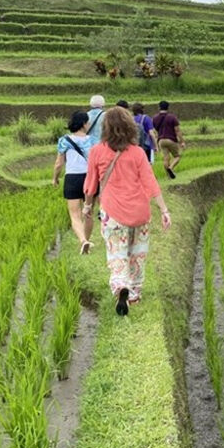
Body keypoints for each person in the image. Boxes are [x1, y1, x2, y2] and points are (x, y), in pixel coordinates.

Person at [83, 106, 171, 316]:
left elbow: (91, 184)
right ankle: (134, 295)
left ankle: (121, 285)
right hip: (140, 211)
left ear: (106, 128)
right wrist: (164, 210)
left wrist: (87, 205)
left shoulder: (97, 151)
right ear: (130, 127)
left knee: (117, 254)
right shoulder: (138, 152)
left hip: (113, 213)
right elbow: (150, 182)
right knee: (137, 254)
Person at [52, 111, 97, 254]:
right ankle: (86, 242)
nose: (89, 124)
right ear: (83, 124)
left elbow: (59, 163)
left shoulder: (64, 140)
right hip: (90, 178)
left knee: (75, 214)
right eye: (88, 122)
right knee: (88, 211)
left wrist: (55, 178)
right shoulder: (94, 141)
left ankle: (83, 240)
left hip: (72, 178)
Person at [153, 100, 184, 179]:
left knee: (166, 158)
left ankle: (168, 176)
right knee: (177, 156)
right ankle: (171, 168)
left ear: (159, 107)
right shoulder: (172, 117)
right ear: (168, 107)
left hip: (161, 141)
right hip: (171, 139)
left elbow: (155, 131)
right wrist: (182, 141)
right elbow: (177, 130)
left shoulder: (155, 118)